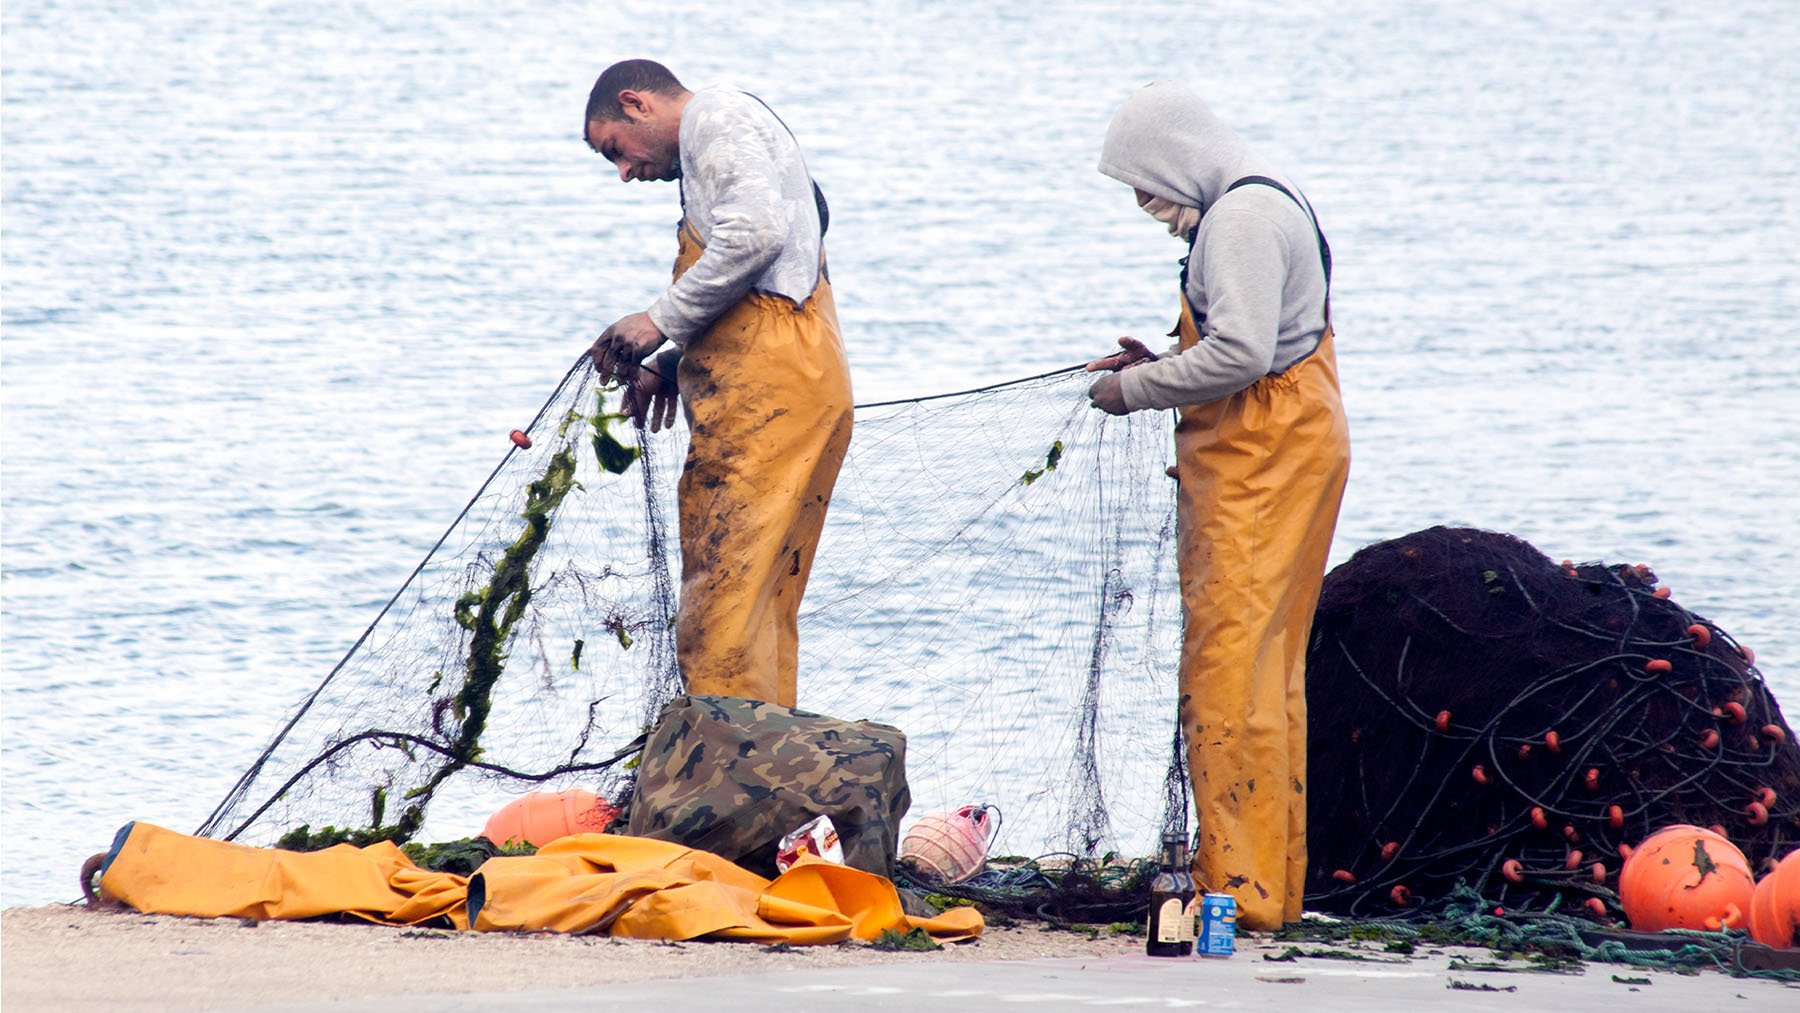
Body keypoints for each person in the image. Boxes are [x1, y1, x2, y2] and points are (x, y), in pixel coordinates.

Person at [1085, 81, 1351, 930]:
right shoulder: (1262, 194)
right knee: (1270, 673)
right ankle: (1270, 887)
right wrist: (1163, 355)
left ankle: (1233, 888)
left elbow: (1239, 354)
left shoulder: (1237, 218)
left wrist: (1136, 389)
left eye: (1147, 188)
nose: (1148, 209)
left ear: (1177, 161)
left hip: (1265, 460)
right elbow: (1253, 336)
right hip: (1293, 444)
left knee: (1228, 671)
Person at [582, 59, 852, 708]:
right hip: (793, 379)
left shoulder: (717, 117)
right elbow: (795, 225)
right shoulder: (733, 131)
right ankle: (768, 777)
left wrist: (659, 322)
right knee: (758, 603)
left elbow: (755, 235)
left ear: (637, 104)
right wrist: (677, 361)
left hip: (772, 394)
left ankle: (727, 786)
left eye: (615, 150)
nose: (624, 172)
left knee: (722, 609)